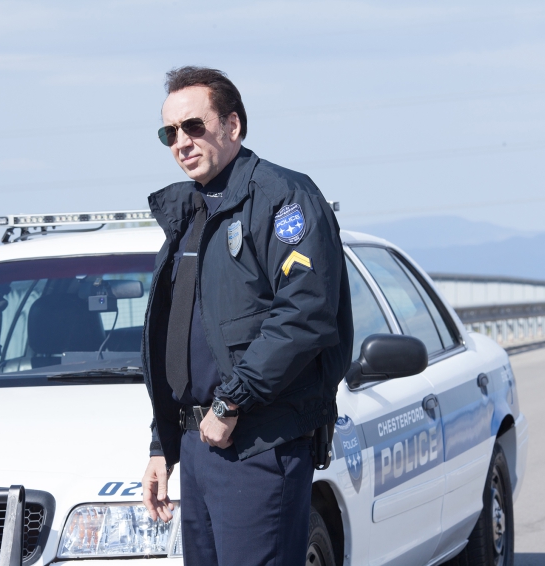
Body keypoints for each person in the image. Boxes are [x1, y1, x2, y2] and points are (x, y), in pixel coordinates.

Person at [140, 66, 353, 566]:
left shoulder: (283, 198)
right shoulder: (189, 214)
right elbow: (178, 340)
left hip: (257, 442)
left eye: (194, 126)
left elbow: (304, 313)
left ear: (232, 125)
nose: (181, 142)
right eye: (169, 133)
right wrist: (161, 444)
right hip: (199, 445)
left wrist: (232, 401)